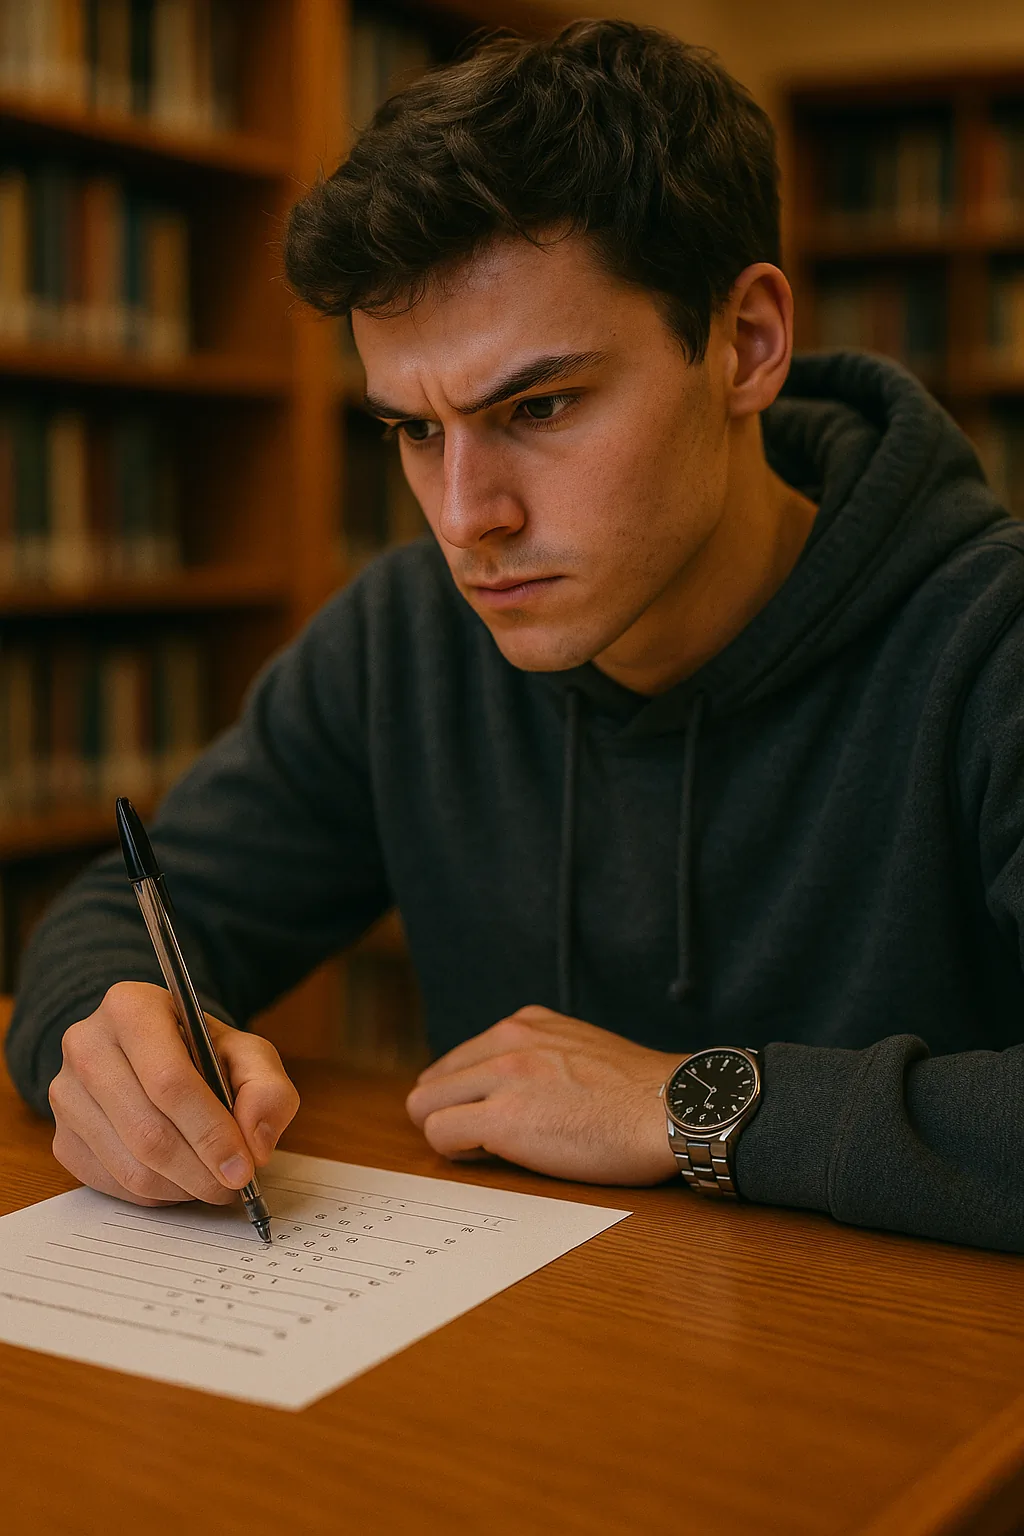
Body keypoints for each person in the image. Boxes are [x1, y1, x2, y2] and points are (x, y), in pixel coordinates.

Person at [7, 20, 1024, 1251]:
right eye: (416, 431)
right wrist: (105, 1034)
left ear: (746, 345)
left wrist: (697, 1101)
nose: (464, 517)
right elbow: (127, 914)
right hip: (528, 1377)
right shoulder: (403, 638)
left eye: (538, 406)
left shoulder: (991, 642)